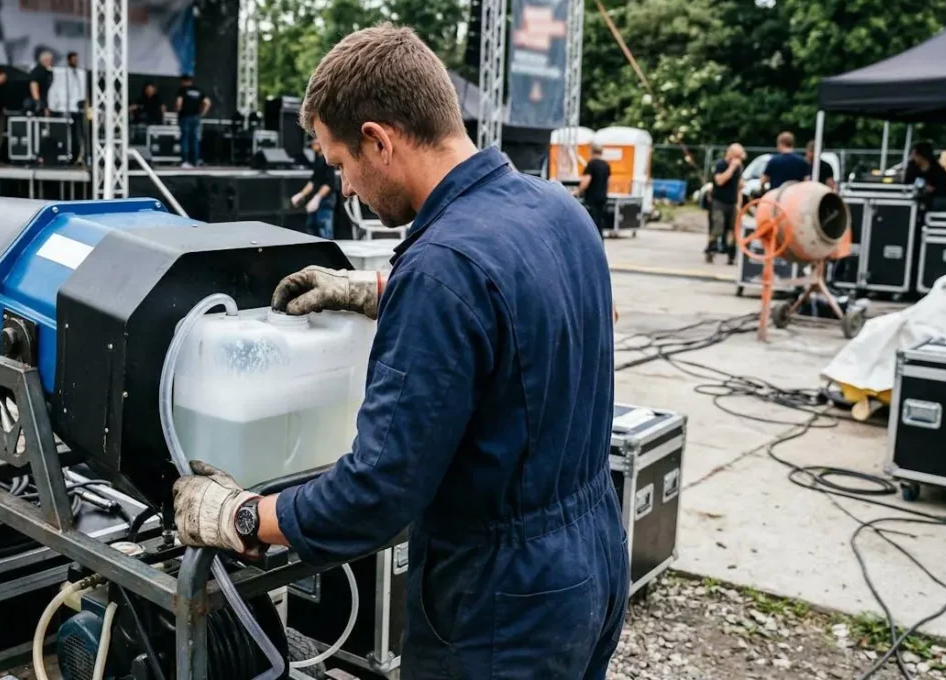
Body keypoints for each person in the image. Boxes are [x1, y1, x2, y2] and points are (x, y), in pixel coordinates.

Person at [171, 25, 627, 680]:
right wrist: (380, 291)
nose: (345, 188)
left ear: (379, 140)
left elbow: (375, 495)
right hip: (592, 557)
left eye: (341, 164)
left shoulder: (443, 271)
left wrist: (242, 516)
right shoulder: (559, 209)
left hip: (500, 603)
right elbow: (528, 312)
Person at [291, 138, 338, 240]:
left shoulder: (327, 160)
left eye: (314, 143)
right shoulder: (318, 159)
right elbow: (314, 181)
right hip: (318, 199)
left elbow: (329, 183)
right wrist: (301, 194)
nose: (312, 146)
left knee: (324, 228)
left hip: (326, 200)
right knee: (311, 227)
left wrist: (317, 198)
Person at [707, 143, 746, 264]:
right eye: (736, 156)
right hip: (719, 201)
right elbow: (720, 181)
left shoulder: (739, 167)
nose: (738, 159)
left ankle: (731, 255)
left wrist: (739, 204)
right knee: (718, 227)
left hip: (732, 202)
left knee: (734, 229)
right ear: (730, 154)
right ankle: (711, 250)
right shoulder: (721, 165)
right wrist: (732, 168)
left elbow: (738, 187)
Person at [47, 51, 87, 163]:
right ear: (69, 60)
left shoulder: (80, 73)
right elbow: (57, 89)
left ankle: (77, 155)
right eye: (73, 59)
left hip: (77, 108)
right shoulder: (62, 73)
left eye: (76, 59)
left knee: (77, 133)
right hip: (65, 107)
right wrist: (54, 104)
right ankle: (67, 154)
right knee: (66, 133)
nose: (76, 61)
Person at [575, 143, 611, 238]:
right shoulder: (606, 165)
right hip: (602, 197)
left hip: (592, 197)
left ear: (591, 152)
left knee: (592, 222)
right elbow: (608, 181)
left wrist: (578, 191)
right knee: (599, 222)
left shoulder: (591, 164)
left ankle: (592, 240)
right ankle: (600, 241)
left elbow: (586, 181)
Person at [174, 74, 210, 168]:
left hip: (185, 116)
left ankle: (185, 161)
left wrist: (178, 110)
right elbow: (207, 102)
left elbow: (179, 102)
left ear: (183, 81)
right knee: (195, 139)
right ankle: (195, 161)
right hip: (196, 117)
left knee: (185, 139)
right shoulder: (198, 90)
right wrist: (202, 113)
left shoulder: (182, 90)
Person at [28, 49, 55, 115]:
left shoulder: (48, 71)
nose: (52, 62)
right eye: (50, 60)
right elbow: (34, 86)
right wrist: (38, 103)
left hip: (46, 101)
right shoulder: (37, 71)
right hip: (40, 103)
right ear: (46, 60)